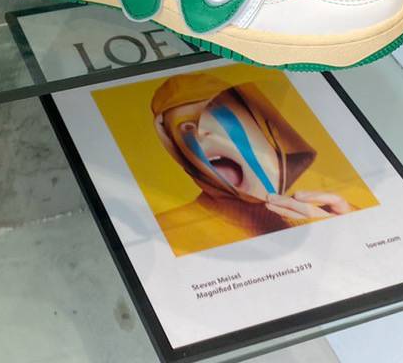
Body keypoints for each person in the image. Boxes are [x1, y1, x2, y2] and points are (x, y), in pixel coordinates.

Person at [150, 73, 357, 256]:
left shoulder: (337, 212)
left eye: (216, 112)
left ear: (258, 120)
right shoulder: (166, 233)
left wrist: (356, 233)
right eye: (186, 127)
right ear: (179, 152)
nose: (202, 131)